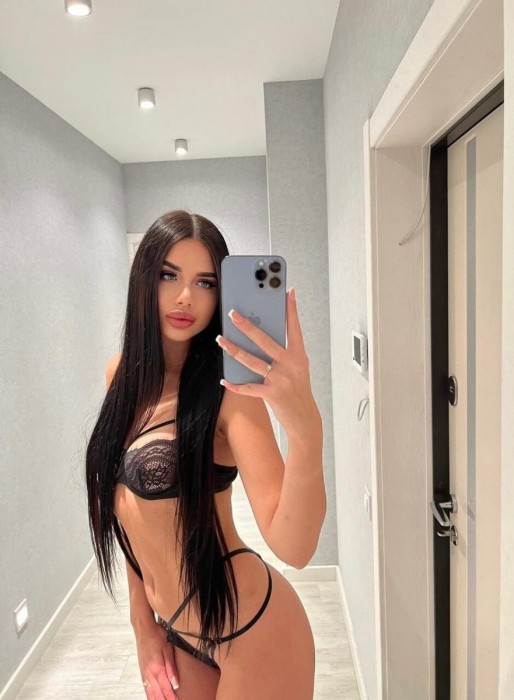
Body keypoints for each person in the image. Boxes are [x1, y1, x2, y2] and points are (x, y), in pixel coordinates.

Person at [86, 210, 326, 699]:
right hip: (179, 631)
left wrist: (306, 430)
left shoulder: (229, 394)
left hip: (251, 628)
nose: (184, 297)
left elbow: (294, 547)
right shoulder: (120, 377)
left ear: (221, 293)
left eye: (205, 282)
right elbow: (128, 518)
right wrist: (142, 625)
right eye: (168, 275)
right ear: (143, 280)